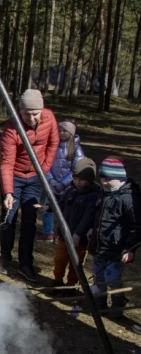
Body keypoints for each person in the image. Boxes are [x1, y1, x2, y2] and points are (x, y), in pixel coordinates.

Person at [0, 89, 59, 282]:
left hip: (35, 177)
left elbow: (53, 143)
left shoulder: (49, 119)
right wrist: (8, 192)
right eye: (27, 114)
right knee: (9, 218)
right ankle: (5, 257)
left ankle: (25, 263)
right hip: (14, 177)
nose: (31, 118)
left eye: (35, 113)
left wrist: (44, 169)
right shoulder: (12, 129)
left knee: (30, 220)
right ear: (20, 110)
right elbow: (6, 164)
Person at [35, 158, 100, 293]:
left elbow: (88, 218)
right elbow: (61, 204)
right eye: (75, 178)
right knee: (60, 259)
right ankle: (57, 280)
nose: (77, 182)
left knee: (76, 263)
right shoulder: (70, 190)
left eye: (81, 180)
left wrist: (78, 234)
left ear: (90, 179)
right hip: (65, 234)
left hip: (80, 239)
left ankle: (71, 285)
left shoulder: (93, 196)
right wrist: (49, 207)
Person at [88, 158, 141, 319]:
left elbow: (136, 226)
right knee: (99, 276)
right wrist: (93, 229)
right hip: (100, 245)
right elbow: (98, 215)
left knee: (113, 278)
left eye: (108, 179)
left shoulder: (129, 198)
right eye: (102, 177)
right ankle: (100, 304)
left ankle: (117, 306)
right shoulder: (104, 194)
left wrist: (130, 248)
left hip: (117, 249)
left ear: (120, 177)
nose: (104, 181)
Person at [39, 120, 85, 241]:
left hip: (68, 186)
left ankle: (62, 233)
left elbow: (77, 168)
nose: (61, 133)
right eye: (59, 130)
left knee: (65, 210)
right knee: (48, 207)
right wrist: (51, 180)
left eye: (65, 130)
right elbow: (45, 163)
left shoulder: (76, 149)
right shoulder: (52, 146)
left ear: (71, 132)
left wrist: (64, 183)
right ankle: (48, 232)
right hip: (52, 183)